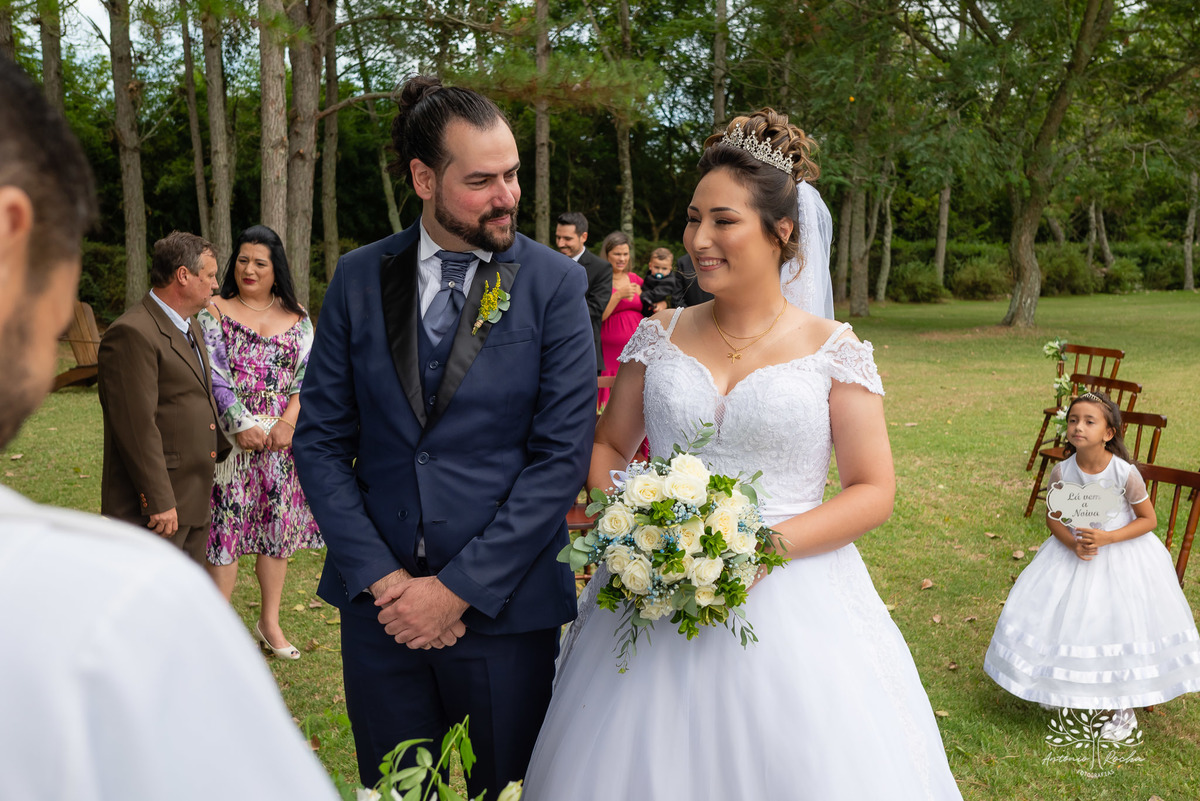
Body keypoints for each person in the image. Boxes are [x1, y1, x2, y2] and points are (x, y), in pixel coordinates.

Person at [523, 109, 962, 799]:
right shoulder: (659, 334)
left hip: (795, 597)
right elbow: (610, 443)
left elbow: (873, 487)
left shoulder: (832, 347)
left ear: (781, 229)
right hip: (649, 593)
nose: (699, 238)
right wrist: (638, 524)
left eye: (722, 220)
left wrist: (758, 549)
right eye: (694, 218)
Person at [0, 56, 338, 801]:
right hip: (180, 486)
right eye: (64, 252)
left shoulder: (210, 324)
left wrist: (281, 418)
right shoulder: (106, 613)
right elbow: (134, 423)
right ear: (12, 232)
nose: (62, 315)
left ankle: (271, 620)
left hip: (216, 473)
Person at [292, 75, 596, 798]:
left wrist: (456, 590)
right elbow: (322, 442)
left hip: (506, 611)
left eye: (513, 173)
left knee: (511, 789)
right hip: (383, 616)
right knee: (400, 791)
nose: (508, 195)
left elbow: (559, 460)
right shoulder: (359, 277)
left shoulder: (553, 286)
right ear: (423, 178)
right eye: (482, 179)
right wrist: (389, 583)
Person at [984, 392, 1200, 741]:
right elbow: (1053, 518)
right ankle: (1060, 686)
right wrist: (1071, 542)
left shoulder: (1123, 473)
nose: (1078, 427)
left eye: (1089, 421)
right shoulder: (1062, 471)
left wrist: (1107, 538)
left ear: (1109, 433)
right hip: (1072, 554)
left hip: (1122, 553)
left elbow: (1148, 520)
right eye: (1073, 420)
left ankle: (1123, 708)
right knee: (1065, 619)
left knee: (1118, 626)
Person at [198, 224, 324, 660]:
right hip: (232, 446)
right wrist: (240, 423)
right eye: (243, 260)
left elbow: (307, 378)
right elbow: (214, 374)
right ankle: (214, 628)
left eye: (260, 262)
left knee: (275, 532)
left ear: (277, 270)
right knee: (225, 531)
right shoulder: (214, 310)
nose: (249, 269)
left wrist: (289, 423)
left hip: (279, 447)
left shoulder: (299, 317)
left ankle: (269, 622)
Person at [98, 231, 228, 566]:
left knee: (180, 604)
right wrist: (157, 498)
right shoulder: (132, 333)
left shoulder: (191, 325)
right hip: (158, 508)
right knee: (147, 607)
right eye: (210, 275)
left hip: (193, 496)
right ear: (183, 275)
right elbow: (135, 425)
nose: (216, 285)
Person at [556, 211, 611, 373]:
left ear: (584, 237)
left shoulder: (601, 268)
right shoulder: (550, 261)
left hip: (583, 351)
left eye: (567, 238)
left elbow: (595, 309)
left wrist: (554, 311)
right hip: (551, 351)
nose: (560, 243)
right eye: (558, 237)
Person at [597, 230, 642, 408]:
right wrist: (618, 296)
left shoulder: (635, 279)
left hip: (637, 350)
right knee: (611, 399)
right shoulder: (601, 281)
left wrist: (657, 303)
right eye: (617, 254)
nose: (622, 258)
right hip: (610, 352)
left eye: (625, 254)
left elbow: (649, 306)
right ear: (607, 255)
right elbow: (598, 316)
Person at [640, 246, 684, 314]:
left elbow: (656, 294)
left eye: (664, 268)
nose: (660, 271)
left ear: (670, 268)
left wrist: (641, 294)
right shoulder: (650, 276)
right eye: (656, 267)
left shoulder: (669, 281)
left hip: (658, 311)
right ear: (650, 266)